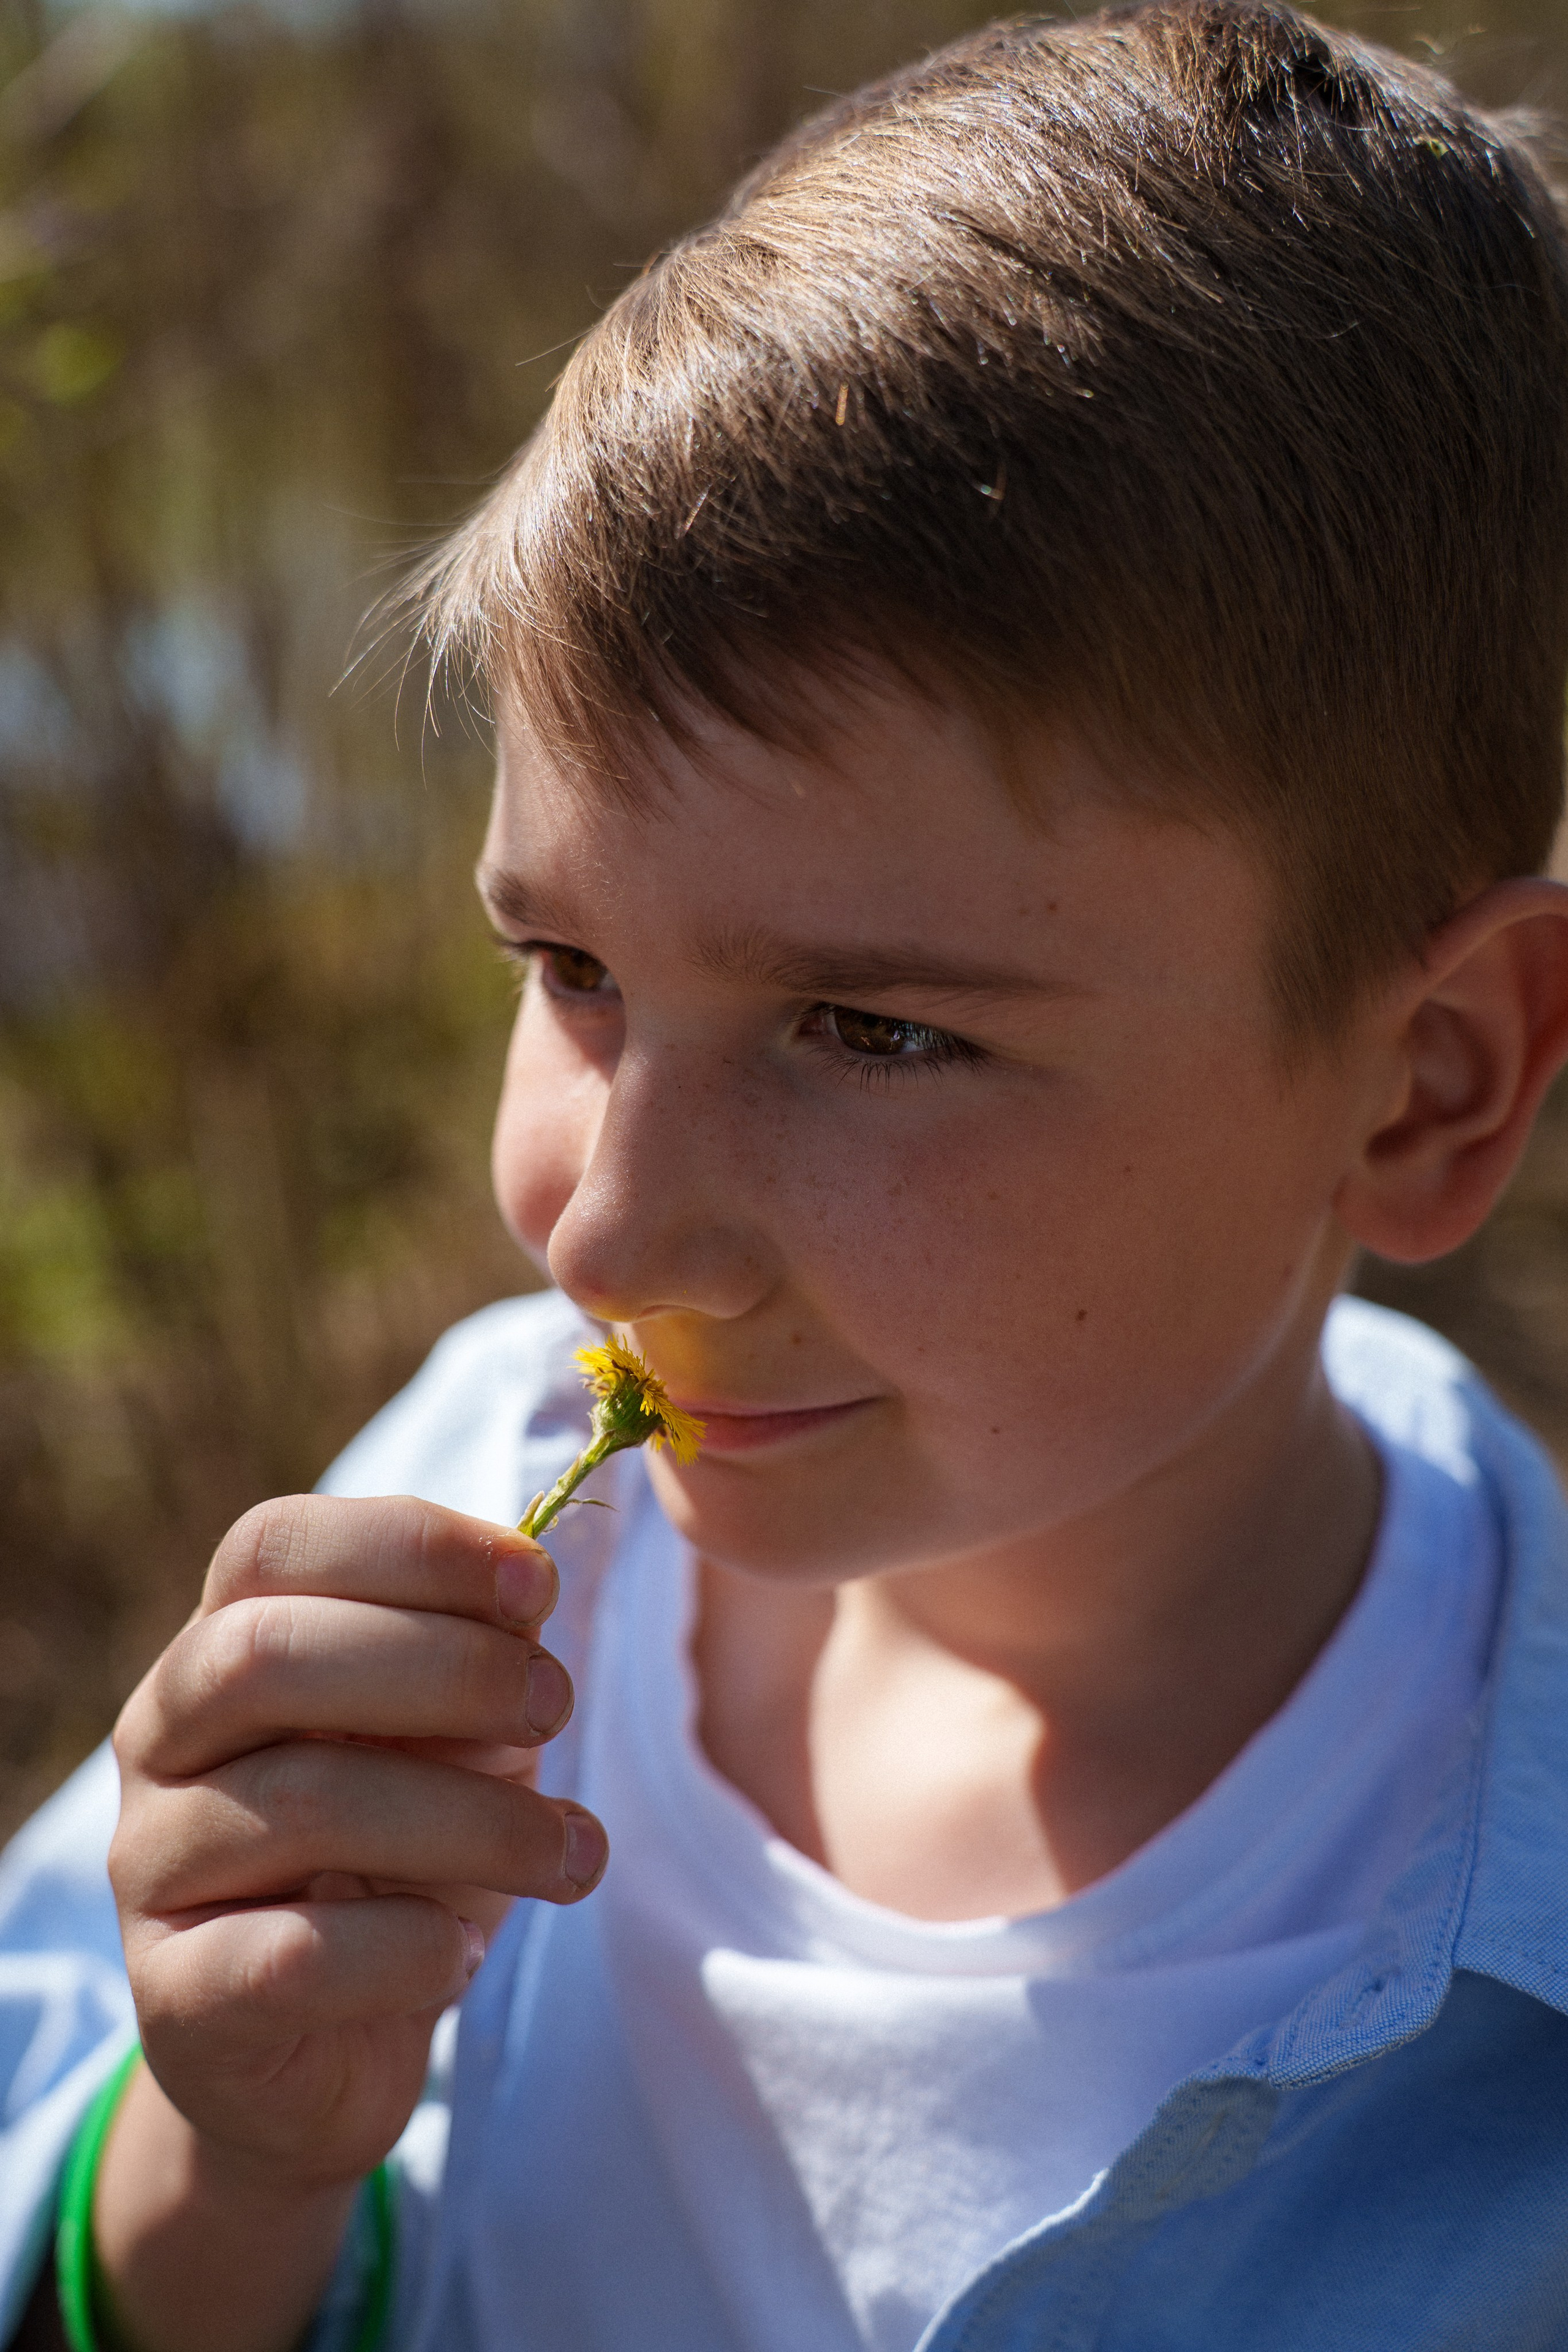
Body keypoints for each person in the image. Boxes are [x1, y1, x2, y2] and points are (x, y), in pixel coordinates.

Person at [9, 2, 1568, 2345]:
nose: (602, 1233)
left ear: (1428, 1085)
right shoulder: (475, 1487)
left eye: (876, 1031)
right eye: (571, 969)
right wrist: (222, 2153)